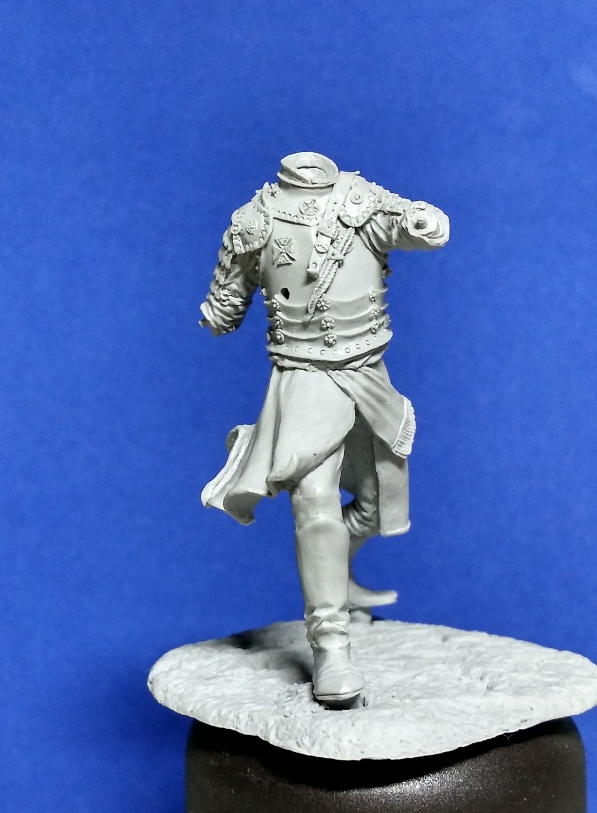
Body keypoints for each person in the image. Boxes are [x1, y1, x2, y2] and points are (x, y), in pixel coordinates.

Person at [199, 152, 449, 703]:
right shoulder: (254, 219)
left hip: (367, 373)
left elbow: (409, 227)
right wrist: (221, 305)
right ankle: (331, 647)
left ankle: (340, 573)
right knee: (314, 504)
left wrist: (422, 221)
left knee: (378, 504)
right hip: (303, 378)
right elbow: (227, 305)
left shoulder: (359, 200)